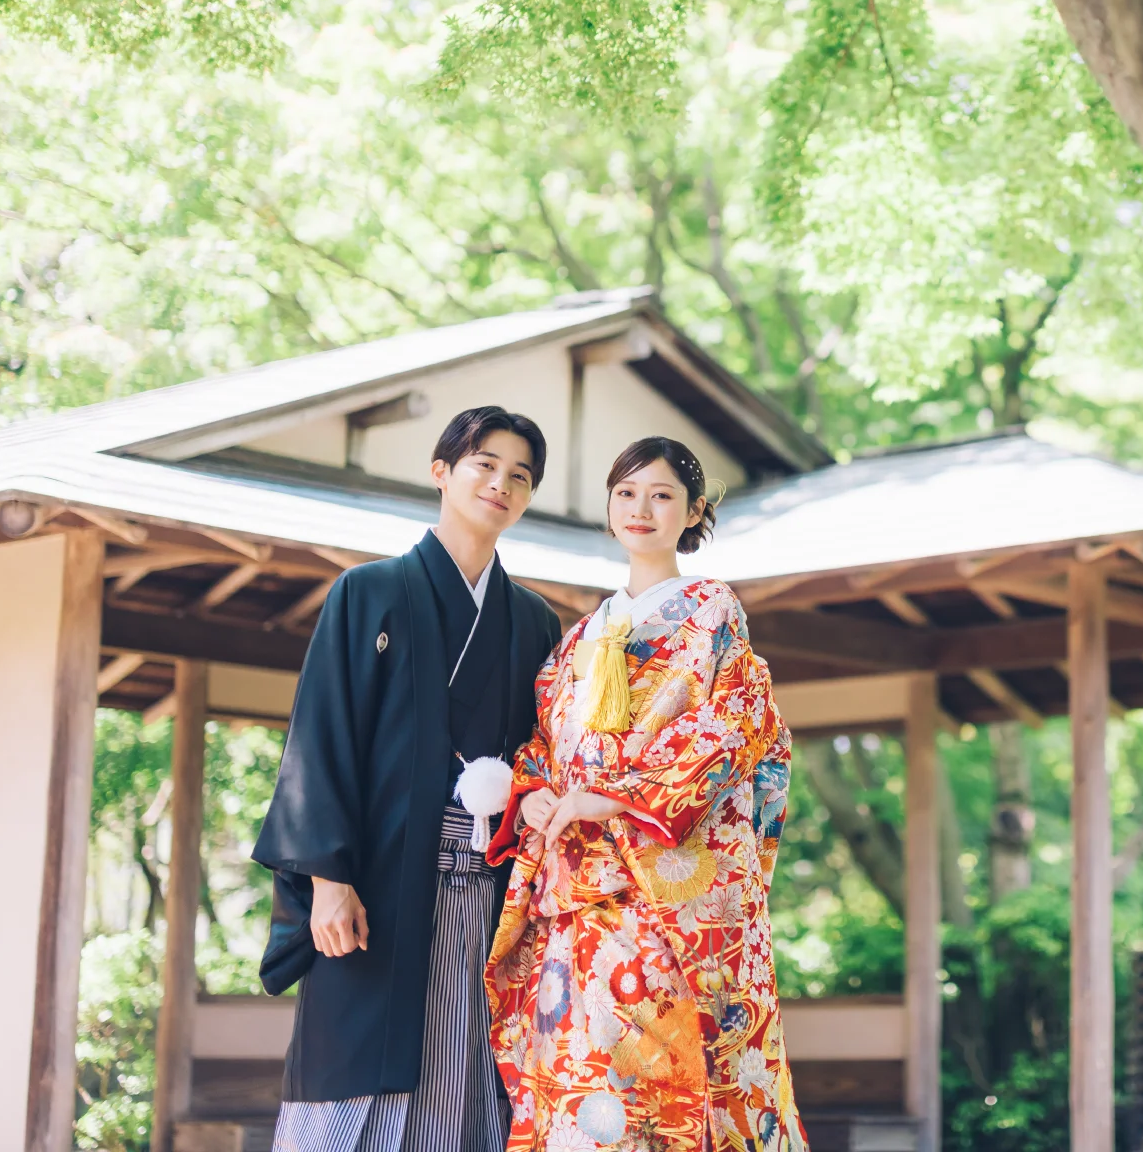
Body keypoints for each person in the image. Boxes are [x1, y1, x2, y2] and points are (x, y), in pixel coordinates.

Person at [254, 406, 565, 1152]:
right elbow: (322, 736)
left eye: (519, 476)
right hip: (378, 888)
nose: (500, 484)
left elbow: (548, 756)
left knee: (466, 1076)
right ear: (442, 472)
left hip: (487, 894)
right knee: (356, 1071)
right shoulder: (367, 593)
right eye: (484, 465)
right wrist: (327, 879)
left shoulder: (535, 623)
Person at [484, 435, 807, 1152]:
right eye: (626, 493)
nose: (641, 509)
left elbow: (731, 725)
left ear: (692, 513)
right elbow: (544, 742)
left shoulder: (710, 610)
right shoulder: (578, 638)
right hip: (577, 896)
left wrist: (618, 798)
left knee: (660, 1068)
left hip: (659, 890)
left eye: (662, 495)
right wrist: (535, 792)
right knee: (580, 1074)